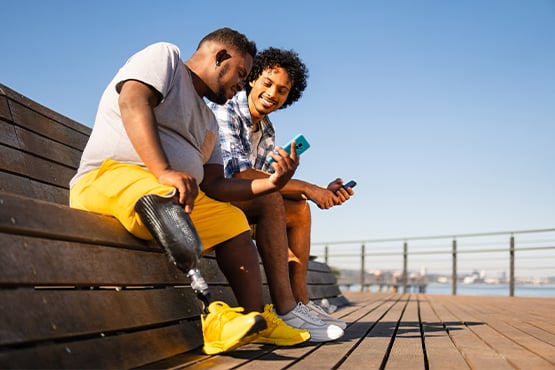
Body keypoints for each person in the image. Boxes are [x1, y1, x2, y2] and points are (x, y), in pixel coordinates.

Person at [69, 28, 312, 355]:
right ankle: (211, 314)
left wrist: (273, 183)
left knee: (232, 222)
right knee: (164, 196)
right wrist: (164, 171)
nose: (242, 84)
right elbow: (133, 100)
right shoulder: (165, 57)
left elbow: (215, 185)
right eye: (241, 74)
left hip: (171, 198)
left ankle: (256, 322)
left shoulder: (208, 121)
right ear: (220, 57)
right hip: (109, 178)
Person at [209, 47, 353, 341]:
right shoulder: (228, 110)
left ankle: (301, 305)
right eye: (267, 83)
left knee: (299, 209)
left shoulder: (267, 129)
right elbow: (240, 177)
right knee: (278, 198)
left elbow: (267, 182)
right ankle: (286, 309)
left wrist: (319, 192)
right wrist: (309, 188)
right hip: (210, 197)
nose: (273, 93)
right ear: (251, 79)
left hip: (242, 204)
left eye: (283, 90)